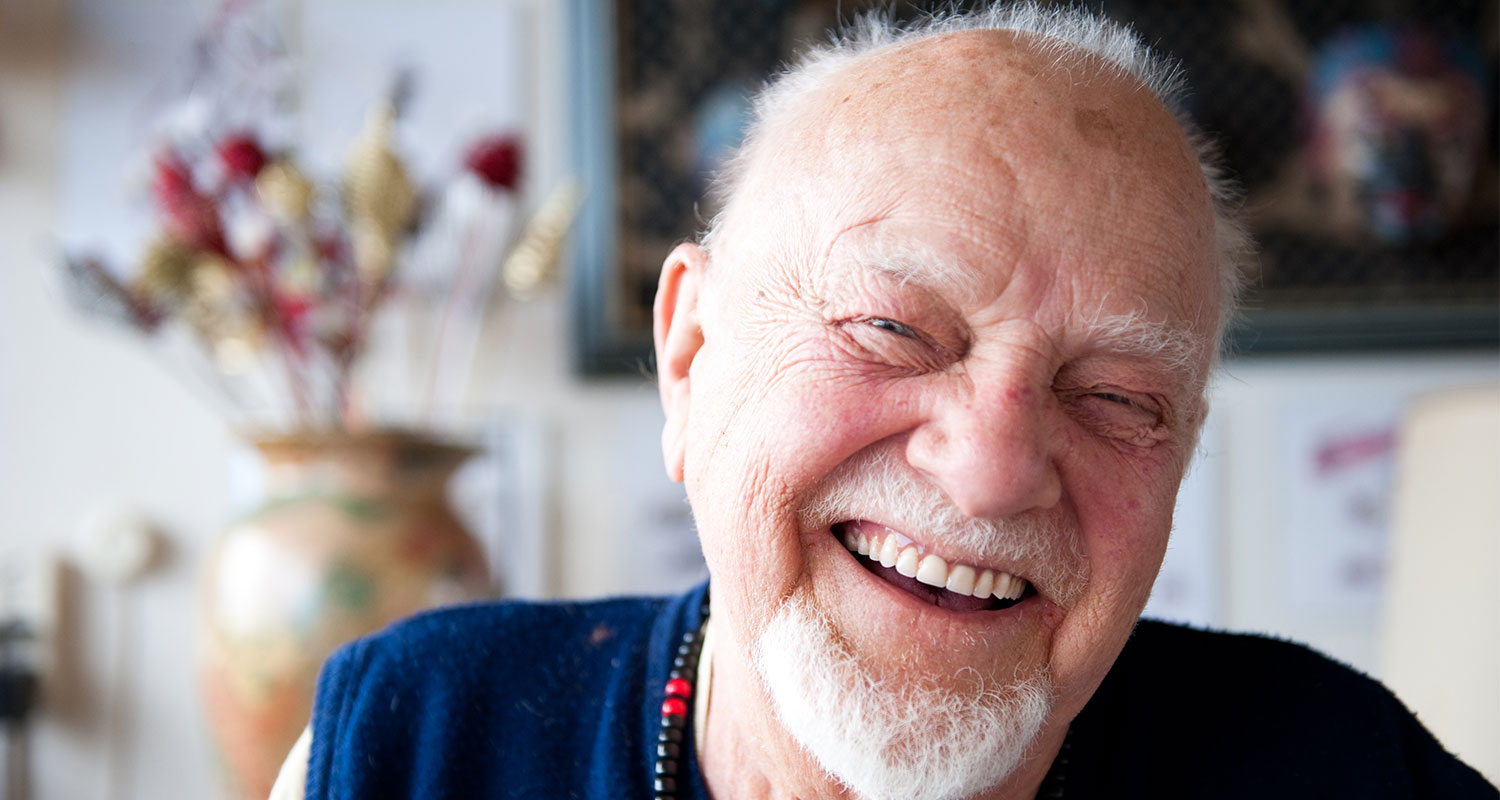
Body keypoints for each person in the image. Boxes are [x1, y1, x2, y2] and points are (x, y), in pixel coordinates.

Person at [274, 4, 1497, 799]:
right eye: (894, 329)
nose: (994, 467)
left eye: (1119, 395)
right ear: (691, 353)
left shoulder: (1342, 772)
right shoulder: (410, 746)